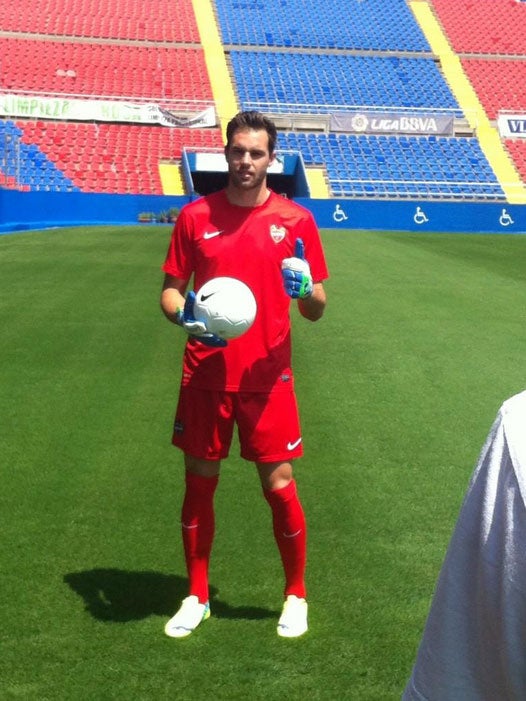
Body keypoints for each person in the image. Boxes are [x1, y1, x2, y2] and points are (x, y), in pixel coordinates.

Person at [160, 110, 329, 639]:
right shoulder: (195, 216)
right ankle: (197, 595)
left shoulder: (296, 221)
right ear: (226, 152)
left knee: (279, 486)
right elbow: (170, 289)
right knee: (198, 485)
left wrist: (305, 289)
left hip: (267, 376)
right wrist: (183, 315)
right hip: (206, 372)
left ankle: (295, 594)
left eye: (257, 153)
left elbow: (317, 307)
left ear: (271, 159)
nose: (246, 161)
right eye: (238, 151)